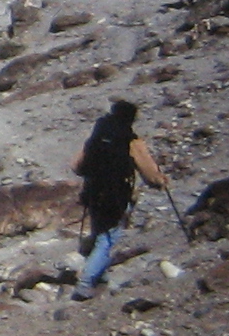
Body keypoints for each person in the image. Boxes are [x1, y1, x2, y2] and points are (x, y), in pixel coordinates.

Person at [67, 98, 166, 299]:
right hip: (117, 196)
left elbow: (77, 166)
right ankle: (85, 284)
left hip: (93, 192)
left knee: (99, 233)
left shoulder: (97, 135)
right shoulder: (131, 140)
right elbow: (150, 174)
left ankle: (100, 279)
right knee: (108, 239)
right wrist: (161, 181)